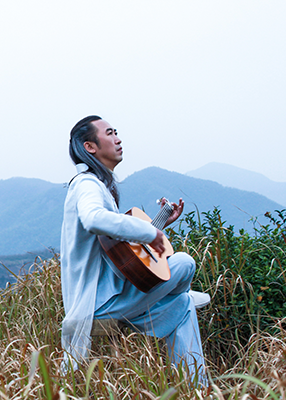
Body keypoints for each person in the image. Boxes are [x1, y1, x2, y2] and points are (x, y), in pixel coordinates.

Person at [60, 115, 209, 385]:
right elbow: (93, 218)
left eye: (117, 132)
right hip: (96, 305)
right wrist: (151, 232)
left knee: (184, 305)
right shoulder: (86, 185)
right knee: (184, 263)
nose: (118, 138)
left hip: (114, 296)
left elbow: (126, 256)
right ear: (90, 146)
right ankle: (178, 289)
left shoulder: (100, 187)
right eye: (110, 133)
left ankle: (197, 388)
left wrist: (160, 223)